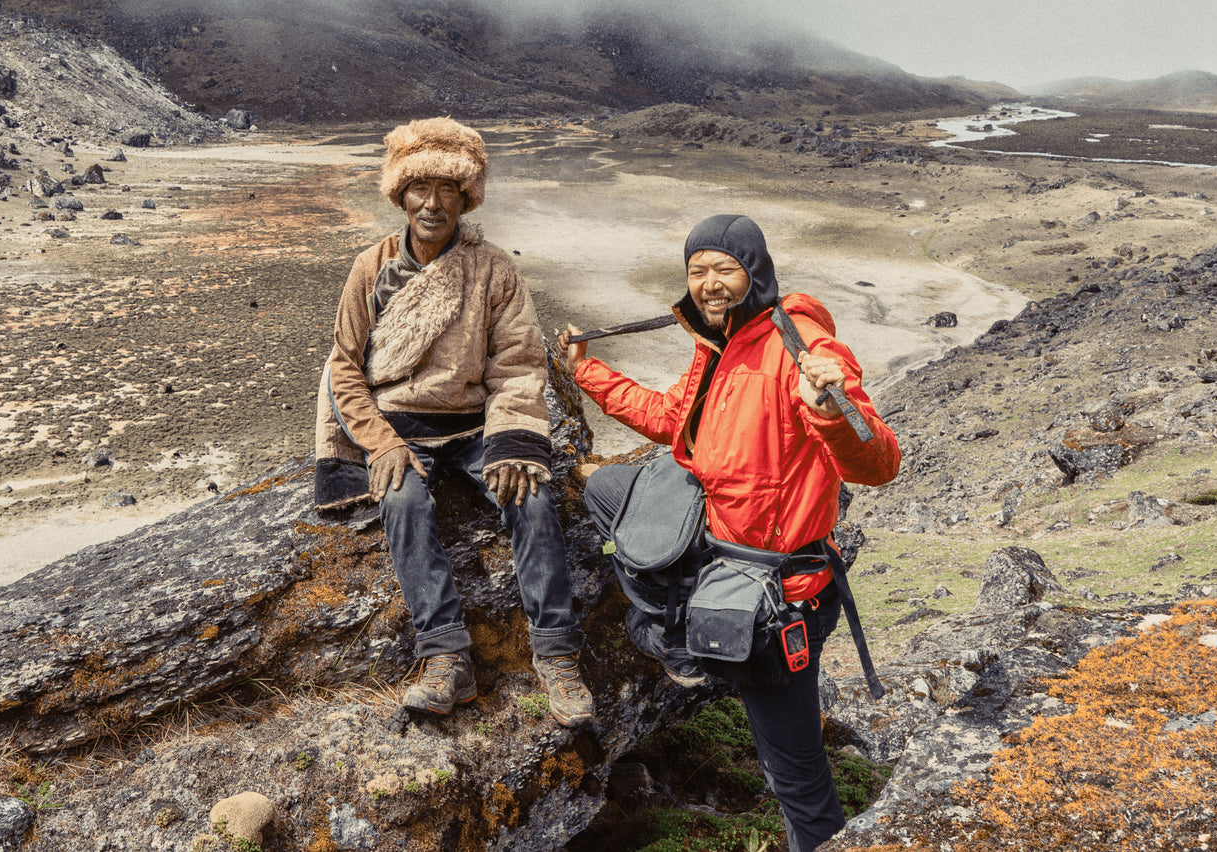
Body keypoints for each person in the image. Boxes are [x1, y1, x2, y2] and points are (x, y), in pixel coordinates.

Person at [561, 214, 900, 851]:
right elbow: (672, 419)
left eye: (725, 268)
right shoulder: (716, 342)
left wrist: (828, 410)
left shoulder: (801, 344)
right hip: (717, 542)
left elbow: (878, 463)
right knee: (609, 491)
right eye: (698, 271)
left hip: (778, 587)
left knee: (793, 775)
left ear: (757, 270)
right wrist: (588, 372)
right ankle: (681, 637)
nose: (710, 283)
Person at [314, 116, 592, 727]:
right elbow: (344, 366)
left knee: (534, 499)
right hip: (398, 424)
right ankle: (446, 658)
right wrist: (381, 442)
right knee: (403, 502)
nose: (433, 203)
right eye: (420, 188)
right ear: (400, 194)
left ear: (467, 196)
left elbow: (518, 364)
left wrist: (513, 441)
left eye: (448, 189)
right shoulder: (371, 268)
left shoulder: (493, 269)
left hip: (473, 427)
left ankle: (558, 654)